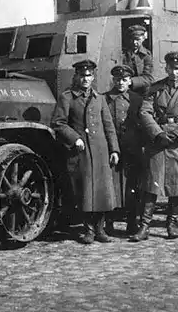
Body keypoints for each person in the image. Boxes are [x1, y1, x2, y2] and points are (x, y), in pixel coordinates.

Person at [131, 51, 178, 241]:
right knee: (151, 184)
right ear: (166, 68)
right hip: (159, 140)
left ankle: (172, 225)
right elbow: (145, 112)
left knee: (177, 185)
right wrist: (158, 133)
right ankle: (144, 226)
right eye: (171, 68)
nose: (174, 72)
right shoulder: (155, 88)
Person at [51, 59, 121, 244]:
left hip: (100, 151)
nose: (85, 79)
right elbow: (58, 123)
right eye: (82, 75)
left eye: (89, 75)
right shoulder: (67, 97)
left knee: (102, 191)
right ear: (76, 77)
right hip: (81, 153)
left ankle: (100, 229)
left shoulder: (100, 99)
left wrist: (114, 150)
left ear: (93, 77)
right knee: (85, 191)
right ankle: (88, 230)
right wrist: (75, 138)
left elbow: (109, 126)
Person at [103, 65, 145, 235]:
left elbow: (143, 123)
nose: (120, 83)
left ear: (129, 81)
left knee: (132, 186)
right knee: (110, 185)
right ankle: (109, 222)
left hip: (132, 148)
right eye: (117, 80)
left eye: (124, 80)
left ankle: (131, 222)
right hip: (110, 147)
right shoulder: (104, 98)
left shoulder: (137, 99)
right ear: (113, 80)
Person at [121, 24, 154, 93]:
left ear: (143, 39)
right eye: (132, 39)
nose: (134, 42)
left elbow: (149, 78)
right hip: (124, 90)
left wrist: (131, 81)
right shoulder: (123, 54)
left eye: (137, 39)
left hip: (142, 92)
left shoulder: (147, 55)